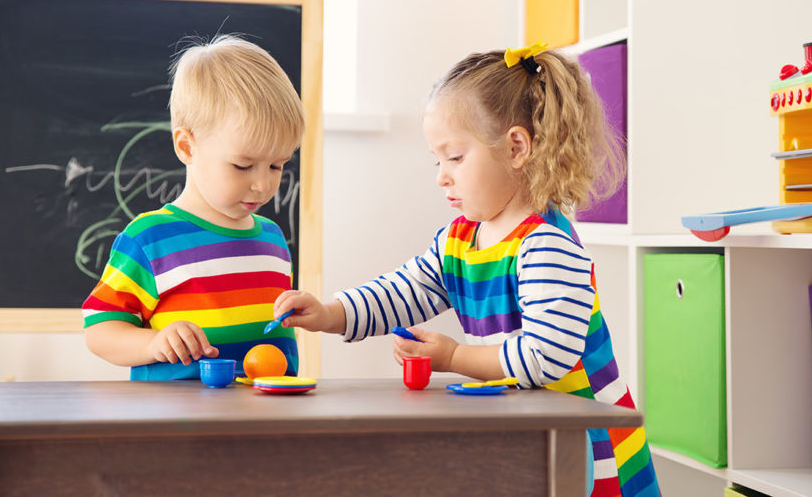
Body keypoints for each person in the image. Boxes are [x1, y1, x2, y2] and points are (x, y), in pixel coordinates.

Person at [274, 42, 659, 496]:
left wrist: (454, 358)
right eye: (437, 160)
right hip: (533, 430)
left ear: (517, 147)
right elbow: (403, 292)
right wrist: (329, 313)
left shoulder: (547, 245)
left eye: (454, 157)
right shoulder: (460, 240)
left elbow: (546, 357)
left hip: (585, 444)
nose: (441, 175)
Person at [82, 35, 305, 381]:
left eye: (277, 165)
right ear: (187, 147)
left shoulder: (273, 239)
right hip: (178, 426)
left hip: (264, 423)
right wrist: (154, 342)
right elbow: (99, 330)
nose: (263, 184)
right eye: (242, 166)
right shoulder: (149, 238)